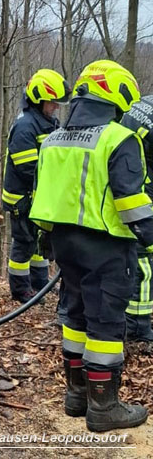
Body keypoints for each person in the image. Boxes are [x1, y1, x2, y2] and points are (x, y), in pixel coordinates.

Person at [30, 60, 151, 432]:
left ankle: (76, 395)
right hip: (107, 246)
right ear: (117, 95)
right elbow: (131, 203)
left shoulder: (53, 139)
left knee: (75, 316)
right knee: (106, 324)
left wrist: (47, 242)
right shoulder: (119, 138)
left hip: (65, 244)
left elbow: (45, 197)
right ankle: (104, 407)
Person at [2, 69, 71, 303]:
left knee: (38, 242)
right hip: (21, 198)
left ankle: (39, 283)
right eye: (53, 102)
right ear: (39, 99)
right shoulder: (25, 126)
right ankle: (21, 289)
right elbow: (27, 168)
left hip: (38, 196)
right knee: (23, 244)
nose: (56, 107)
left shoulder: (47, 122)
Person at [120, 96, 153, 347]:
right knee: (144, 259)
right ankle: (138, 326)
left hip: (125, 176)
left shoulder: (144, 103)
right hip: (140, 185)